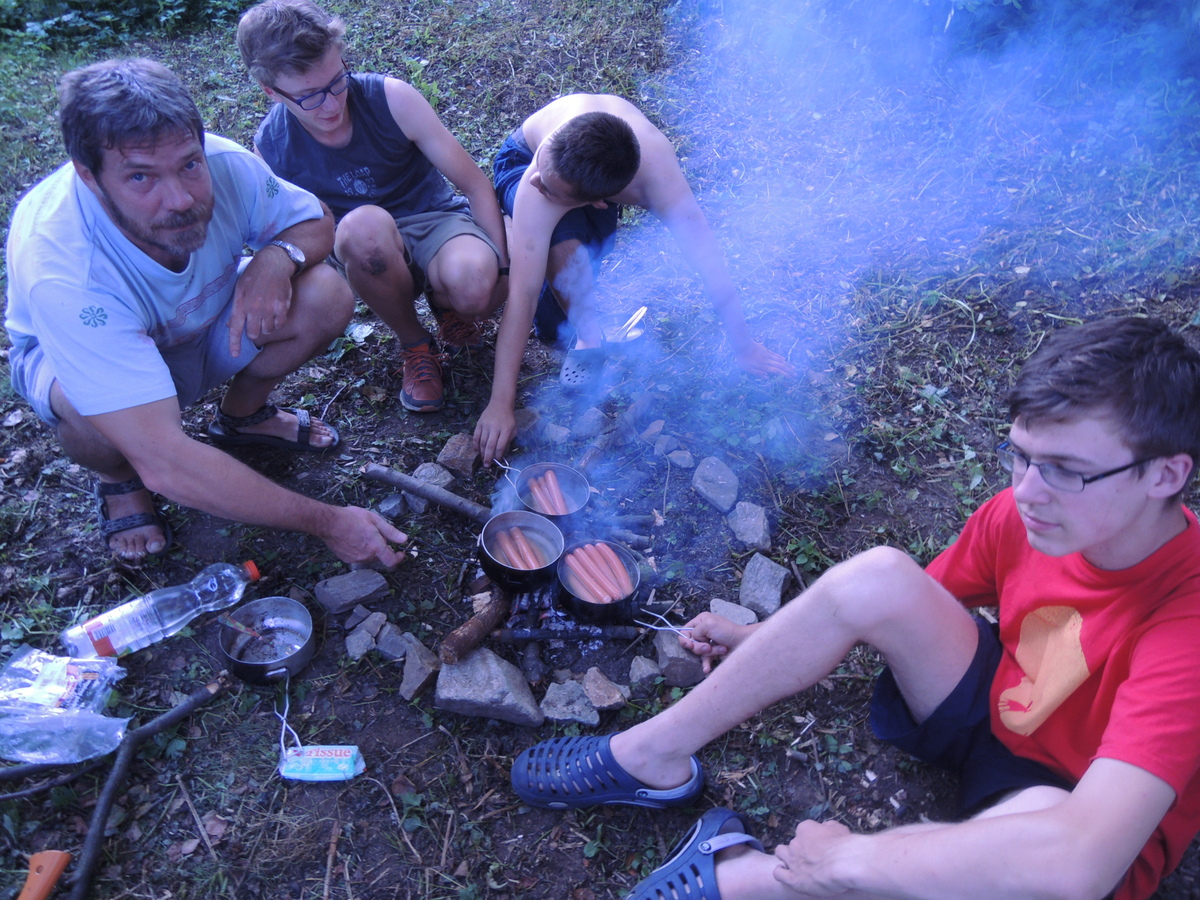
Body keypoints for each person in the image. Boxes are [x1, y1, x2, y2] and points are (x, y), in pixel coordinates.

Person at [510, 316, 1200, 900]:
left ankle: (740, 878)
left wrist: (850, 858)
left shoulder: (1189, 627)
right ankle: (649, 755)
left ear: (1166, 473)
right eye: (1020, 457)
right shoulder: (1028, 516)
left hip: (1074, 802)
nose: (1026, 491)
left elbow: (1080, 860)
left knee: (1041, 848)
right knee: (880, 577)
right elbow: (910, 603)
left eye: (1066, 470)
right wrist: (760, 637)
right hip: (998, 706)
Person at [4, 58, 406, 566]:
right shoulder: (62, 264)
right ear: (90, 176)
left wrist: (277, 259)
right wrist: (330, 522)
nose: (180, 199)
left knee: (324, 293)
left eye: (189, 165)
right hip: (89, 352)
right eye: (141, 177)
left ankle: (242, 417)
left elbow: (315, 222)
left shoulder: (225, 163)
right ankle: (119, 478)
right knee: (89, 411)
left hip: (203, 316)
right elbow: (169, 464)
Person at [474, 93, 797, 465]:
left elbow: (712, 268)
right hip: (520, 155)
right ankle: (536, 245)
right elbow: (522, 295)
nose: (536, 182)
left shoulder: (661, 181)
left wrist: (744, 346)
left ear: (599, 202)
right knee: (561, 271)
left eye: (549, 188)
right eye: (543, 178)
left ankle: (544, 240)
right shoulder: (540, 172)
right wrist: (500, 404)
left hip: (586, 184)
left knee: (569, 280)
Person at [236, 0, 509, 413]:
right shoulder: (273, 147)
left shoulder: (391, 98)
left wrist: (502, 268)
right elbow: (281, 235)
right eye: (309, 96)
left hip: (434, 220)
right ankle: (415, 344)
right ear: (270, 91)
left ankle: (447, 304)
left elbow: (473, 184)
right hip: (361, 249)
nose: (331, 105)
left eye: (336, 81)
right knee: (363, 227)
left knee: (476, 289)